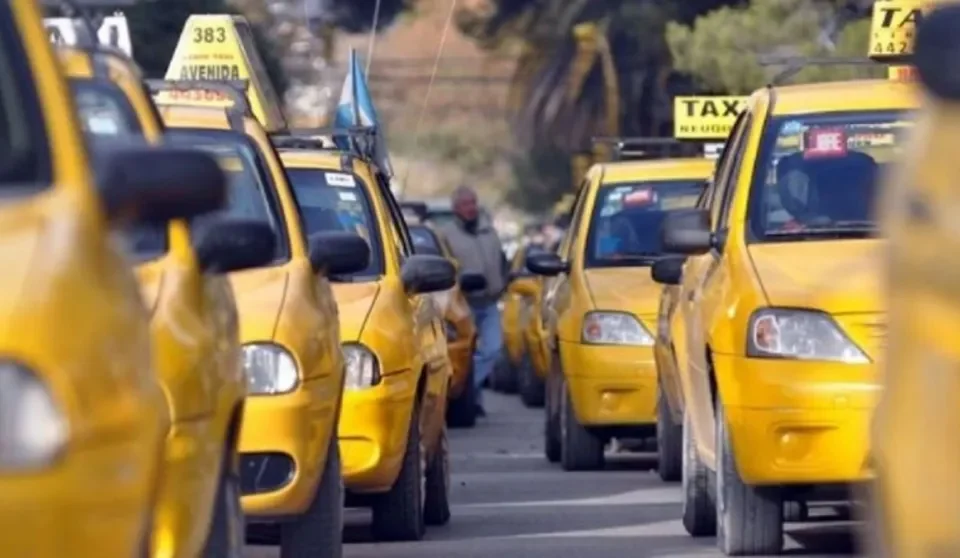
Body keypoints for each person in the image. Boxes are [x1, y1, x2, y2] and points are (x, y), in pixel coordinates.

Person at [440, 185, 507, 417]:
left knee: (493, 350)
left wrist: (504, 281)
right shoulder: (446, 234)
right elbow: (445, 266)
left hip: (489, 302)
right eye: (465, 204)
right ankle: (471, 400)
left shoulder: (489, 230)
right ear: (456, 209)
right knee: (465, 352)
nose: (471, 208)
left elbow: (501, 260)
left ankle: (463, 388)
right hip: (462, 304)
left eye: (473, 203)